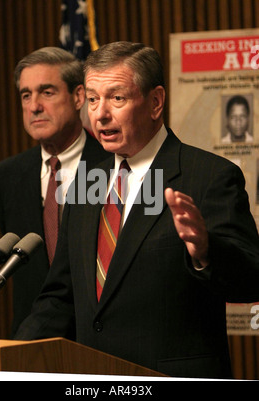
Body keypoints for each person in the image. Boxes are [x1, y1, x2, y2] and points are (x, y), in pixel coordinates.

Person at [15, 42, 259, 379]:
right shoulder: (88, 180)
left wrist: (206, 252)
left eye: (117, 98)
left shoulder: (208, 176)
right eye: (93, 99)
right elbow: (60, 296)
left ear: (155, 102)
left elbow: (252, 280)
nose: (99, 114)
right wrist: (11, 359)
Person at [0, 47, 111, 337]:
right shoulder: (6, 176)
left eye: (46, 92)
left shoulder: (114, 168)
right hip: (31, 345)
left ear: (79, 96)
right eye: (26, 95)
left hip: (98, 344)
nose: (34, 106)